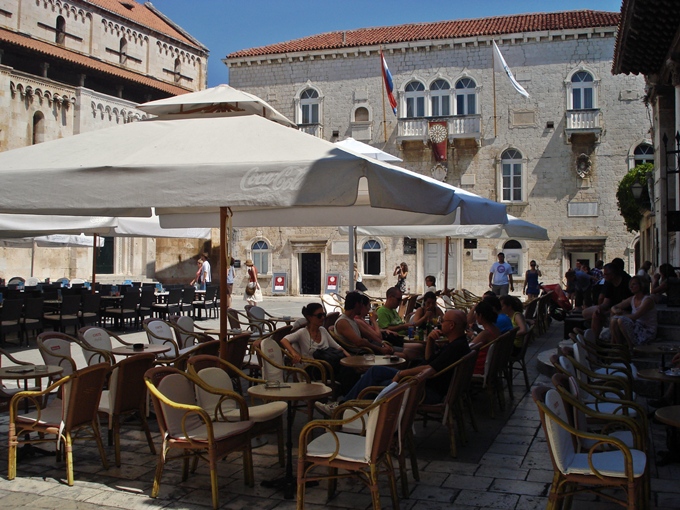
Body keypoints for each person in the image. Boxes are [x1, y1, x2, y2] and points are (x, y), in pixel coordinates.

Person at [316, 309, 471, 415]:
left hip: (424, 389)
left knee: (372, 385)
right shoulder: (458, 344)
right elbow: (430, 360)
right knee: (376, 372)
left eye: (443, 321)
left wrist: (403, 373)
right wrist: (430, 340)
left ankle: (345, 410)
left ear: (451, 326)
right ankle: (345, 408)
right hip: (423, 382)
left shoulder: (455, 347)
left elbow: (430, 368)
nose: (440, 322)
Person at [280, 303, 358, 395]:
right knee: (347, 374)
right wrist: (294, 353)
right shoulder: (302, 333)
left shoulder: (323, 330)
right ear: (309, 317)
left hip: (328, 366)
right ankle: (348, 399)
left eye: (323, 315)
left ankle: (348, 399)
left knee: (350, 371)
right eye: (319, 316)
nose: (322, 318)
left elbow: (337, 347)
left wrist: (350, 360)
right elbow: (284, 340)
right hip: (313, 368)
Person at [582, 262, 633, 339]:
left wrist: (608, 311)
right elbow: (606, 301)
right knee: (595, 314)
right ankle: (594, 339)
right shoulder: (609, 283)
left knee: (612, 316)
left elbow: (623, 306)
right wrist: (600, 308)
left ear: (613, 274)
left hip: (625, 310)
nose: (604, 276)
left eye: (606, 274)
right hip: (612, 308)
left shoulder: (626, 283)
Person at [335, 291, 393, 355]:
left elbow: (369, 335)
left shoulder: (353, 320)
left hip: (365, 352)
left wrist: (383, 344)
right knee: (400, 355)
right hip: (357, 355)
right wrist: (380, 349)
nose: (362, 307)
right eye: (362, 304)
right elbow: (359, 342)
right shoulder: (343, 322)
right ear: (357, 304)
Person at [609, 276, 657, 348]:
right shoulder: (632, 298)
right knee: (614, 320)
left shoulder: (647, 300)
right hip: (636, 326)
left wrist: (620, 314)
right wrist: (615, 311)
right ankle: (618, 346)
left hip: (646, 330)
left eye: (634, 284)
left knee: (621, 320)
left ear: (641, 285)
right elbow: (614, 307)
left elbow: (635, 316)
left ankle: (631, 347)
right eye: (630, 284)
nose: (631, 286)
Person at [469, 301, 501, 375]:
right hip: (492, 365)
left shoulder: (486, 333)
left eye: (476, 315)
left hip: (478, 367)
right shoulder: (495, 329)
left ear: (480, 316)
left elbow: (469, 348)